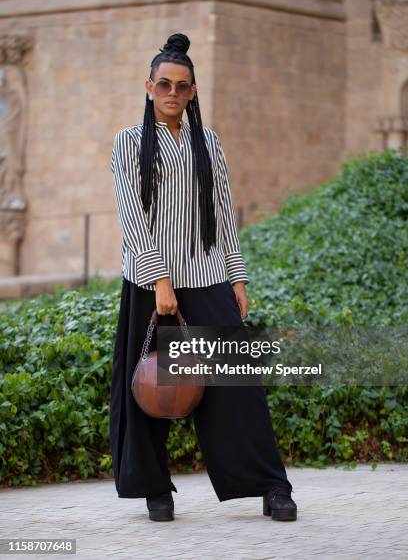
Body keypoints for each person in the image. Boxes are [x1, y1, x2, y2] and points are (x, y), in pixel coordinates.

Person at [109, 32, 297, 522]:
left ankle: (270, 485)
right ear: (149, 87)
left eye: (183, 86)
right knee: (153, 384)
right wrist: (160, 281)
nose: (173, 93)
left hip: (208, 273)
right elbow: (132, 213)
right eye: (164, 84)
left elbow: (223, 211)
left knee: (237, 386)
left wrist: (237, 276)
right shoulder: (128, 142)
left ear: (193, 92)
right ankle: (155, 489)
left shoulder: (207, 142)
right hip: (151, 281)